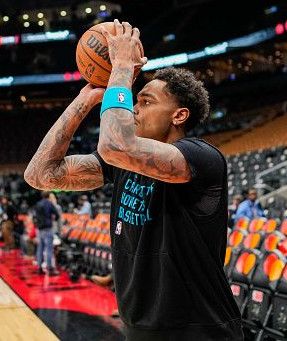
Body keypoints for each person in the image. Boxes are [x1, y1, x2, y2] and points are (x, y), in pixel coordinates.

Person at [24, 20, 243, 340]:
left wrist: (123, 68)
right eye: (134, 99)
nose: (133, 108)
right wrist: (84, 100)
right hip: (138, 325)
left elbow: (115, 145)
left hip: (197, 329)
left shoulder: (200, 158)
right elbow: (40, 174)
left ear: (179, 115)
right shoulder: (122, 164)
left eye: (146, 101)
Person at [33, 191, 60, 275]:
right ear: (48, 196)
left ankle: (39, 268)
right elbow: (57, 214)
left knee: (40, 249)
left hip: (39, 230)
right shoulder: (49, 203)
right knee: (49, 249)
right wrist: (53, 220)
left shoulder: (37, 204)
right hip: (48, 229)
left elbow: (34, 217)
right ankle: (50, 268)